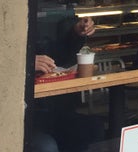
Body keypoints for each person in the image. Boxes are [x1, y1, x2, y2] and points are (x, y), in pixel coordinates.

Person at [31, 16, 105, 152]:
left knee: (94, 128)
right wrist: (27, 61)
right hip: (28, 115)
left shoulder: (48, 24)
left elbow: (57, 52)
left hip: (56, 108)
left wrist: (76, 32)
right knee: (46, 146)